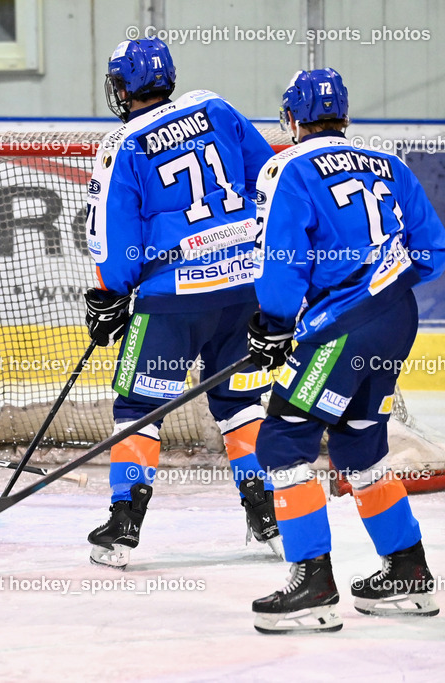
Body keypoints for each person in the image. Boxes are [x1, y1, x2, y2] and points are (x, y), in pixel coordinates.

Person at [247, 68, 445, 633]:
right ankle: (408, 570)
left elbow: (281, 260)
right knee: (360, 445)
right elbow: (432, 251)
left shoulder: (287, 167)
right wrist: (380, 289)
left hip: (341, 330)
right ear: (345, 116)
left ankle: (312, 582)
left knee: (284, 440)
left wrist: (276, 323)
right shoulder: (389, 163)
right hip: (397, 320)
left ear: (292, 119)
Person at [83, 37, 281, 568]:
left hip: (172, 300)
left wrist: (110, 294)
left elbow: (113, 233)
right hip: (244, 291)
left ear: (124, 87)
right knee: (241, 403)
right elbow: (270, 181)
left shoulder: (124, 144)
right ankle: (268, 516)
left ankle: (124, 523)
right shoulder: (216, 107)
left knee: (140, 407)